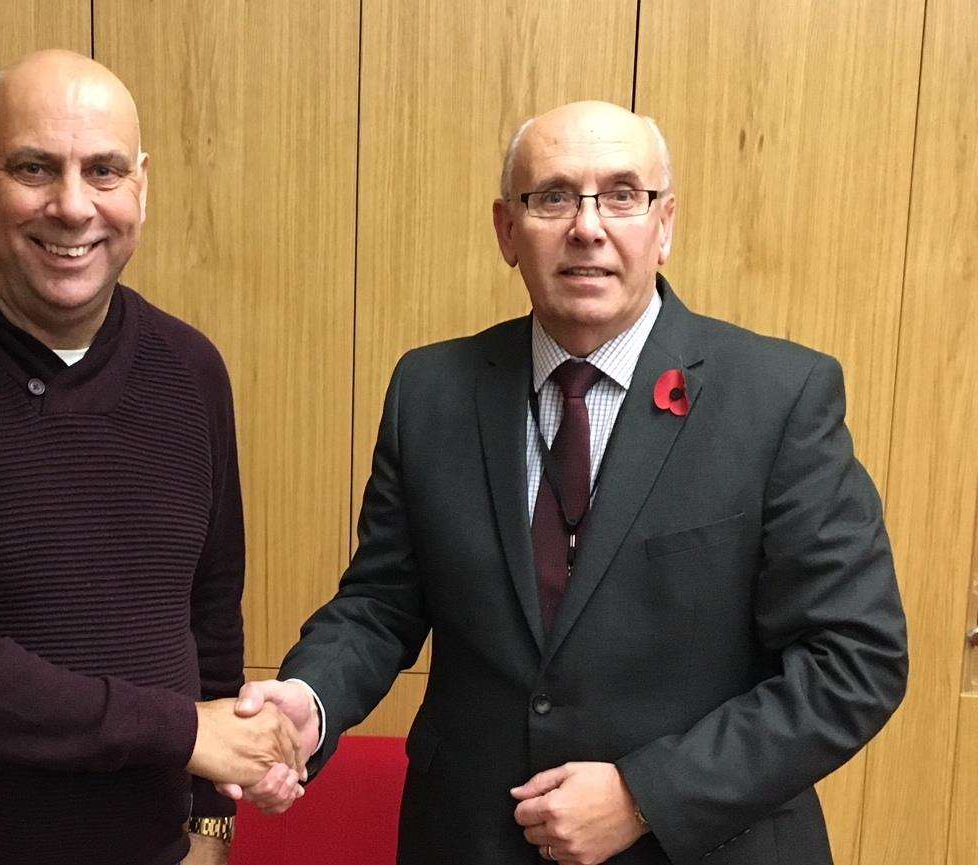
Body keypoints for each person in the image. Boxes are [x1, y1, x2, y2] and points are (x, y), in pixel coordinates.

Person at [229, 101, 909, 865]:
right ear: (506, 231)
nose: (588, 226)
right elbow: (382, 602)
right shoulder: (432, 390)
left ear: (665, 223)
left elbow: (854, 659)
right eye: (552, 196)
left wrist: (647, 794)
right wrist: (311, 700)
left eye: (622, 194)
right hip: (472, 839)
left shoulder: (779, 397)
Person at [0, 50, 302, 865]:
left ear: (141, 185)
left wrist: (211, 828)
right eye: (35, 168)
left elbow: (210, 624)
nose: (73, 207)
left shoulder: (191, 369)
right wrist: (182, 732)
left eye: (103, 171)